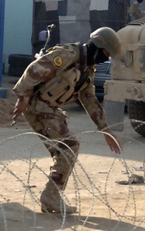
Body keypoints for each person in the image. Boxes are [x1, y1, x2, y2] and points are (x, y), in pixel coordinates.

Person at [11, 27, 123, 214]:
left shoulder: (87, 69)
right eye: (105, 53)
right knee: (69, 146)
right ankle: (51, 196)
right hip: (37, 105)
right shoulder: (68, 55)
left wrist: (106, 129)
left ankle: (51, 197)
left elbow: (89, 99)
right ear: (97, 47)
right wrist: (22, 97)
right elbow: (34, 69)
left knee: (65, 150)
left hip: (49, 109)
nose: (106, 58)